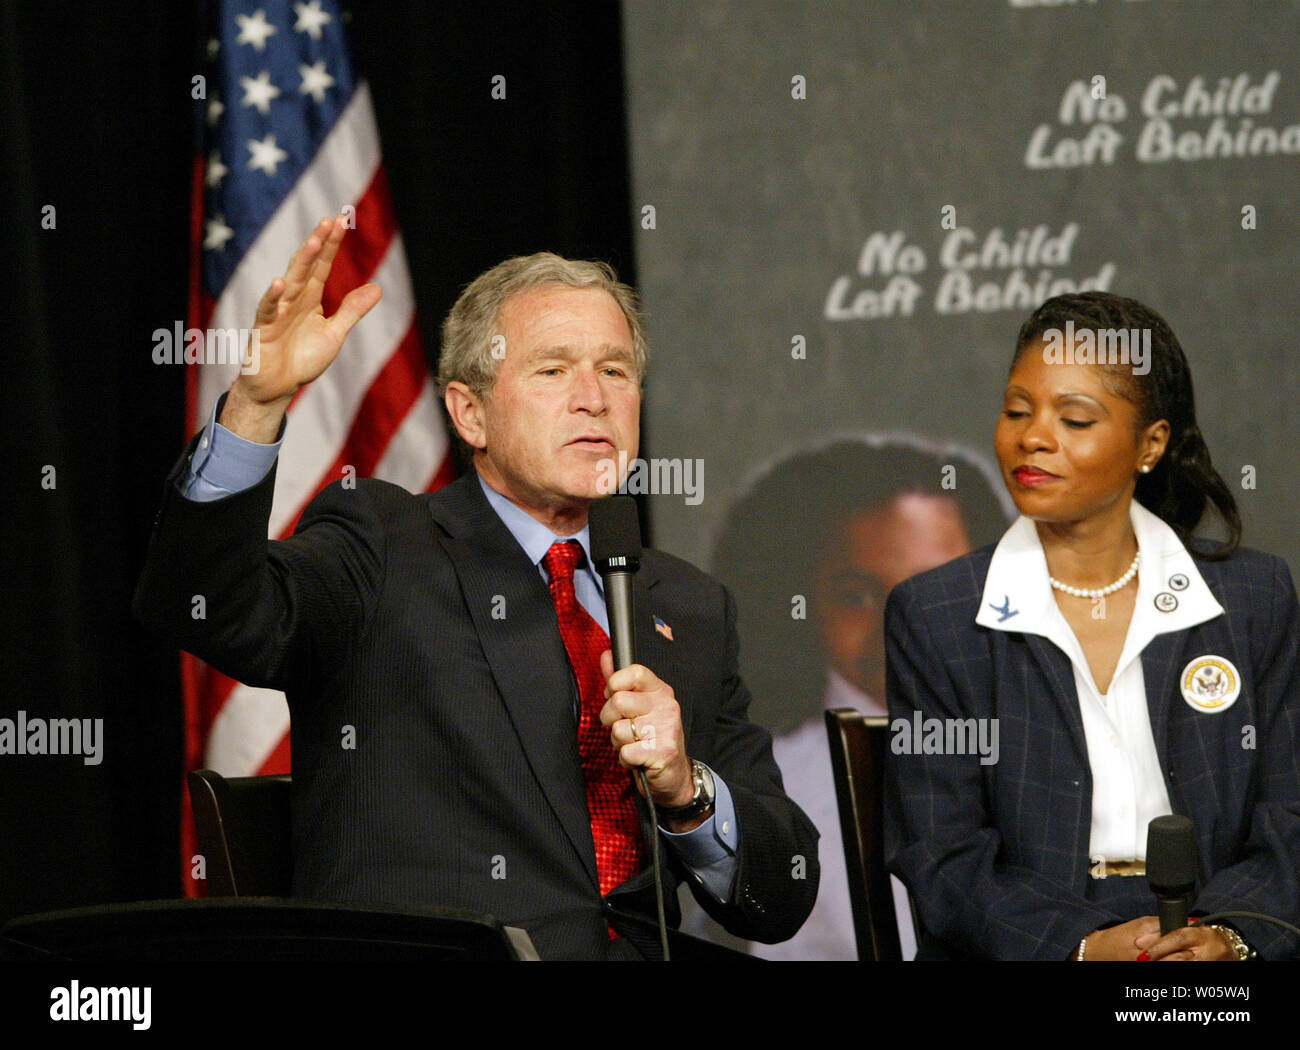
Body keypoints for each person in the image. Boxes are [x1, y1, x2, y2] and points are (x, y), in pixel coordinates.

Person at [134, 216, 819, 960]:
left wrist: (689, 792)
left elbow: (783, 893)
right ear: (469, 412)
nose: (594, 397)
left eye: (615, 371)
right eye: (553, 370)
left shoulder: (686, 602)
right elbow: (204, 605)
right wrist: (257, 407)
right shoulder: (384, 543)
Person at [884, 291, 1300, 960]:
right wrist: (1081, 948)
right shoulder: (937, 616)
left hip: (1215, 939)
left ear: (1151, 444)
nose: (1033, 436)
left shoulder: (1253, 598)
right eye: (1017, 410)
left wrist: (1228, 935)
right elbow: (942, 855)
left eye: (1074, 419)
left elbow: (1290, 821)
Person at [703, 437, 1009, 959]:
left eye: (936, 589)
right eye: (859, 597)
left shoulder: (1044, 735)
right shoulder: (770, 784)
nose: (900, 627)